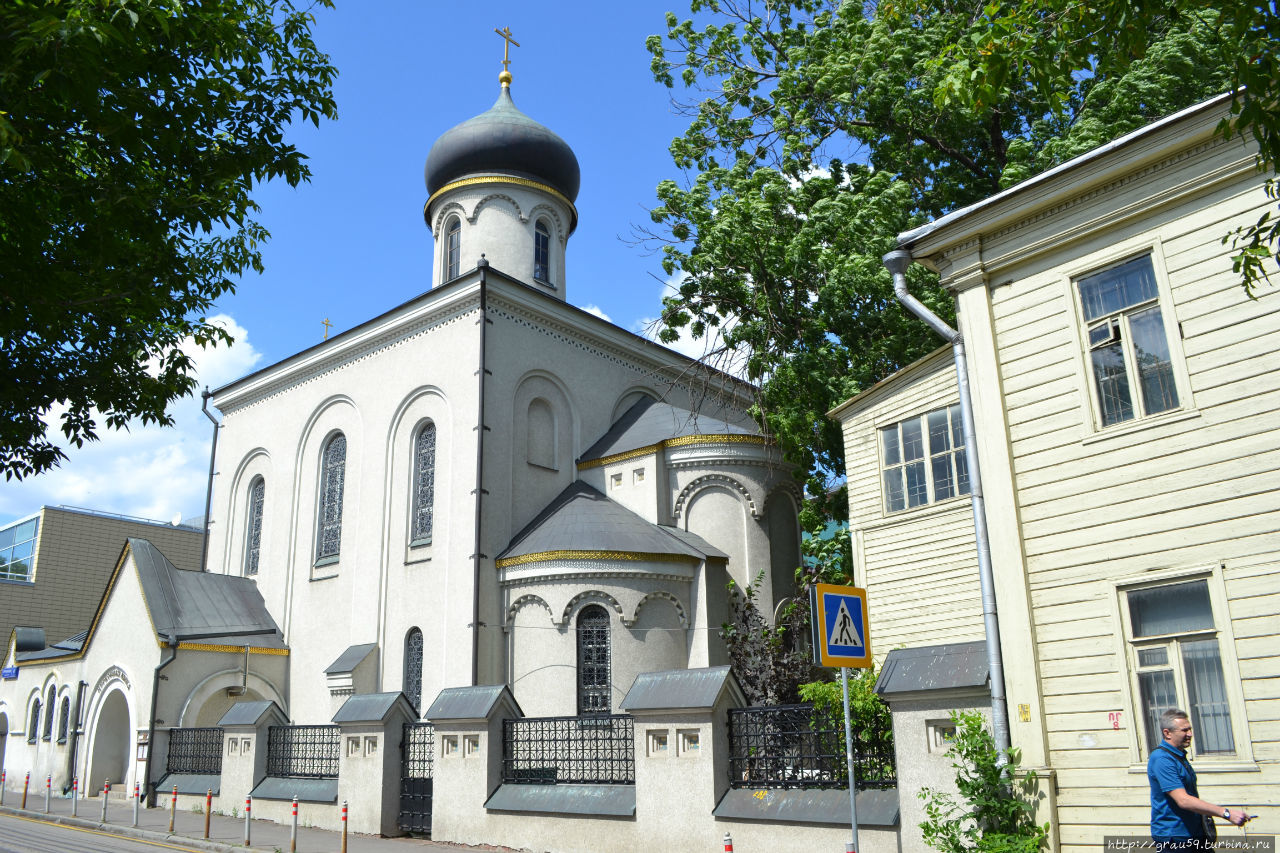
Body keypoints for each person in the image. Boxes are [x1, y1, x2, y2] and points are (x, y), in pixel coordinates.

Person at [1148, 708, 1247, 850]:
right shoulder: (1162, 759)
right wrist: (1226, 813)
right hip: (1175, 838)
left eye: (1190, 729)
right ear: (1167, 733)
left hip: (1194, 834)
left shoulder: (1178, 756)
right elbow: (1183, 800)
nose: (1190, 734)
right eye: (1184, 730)